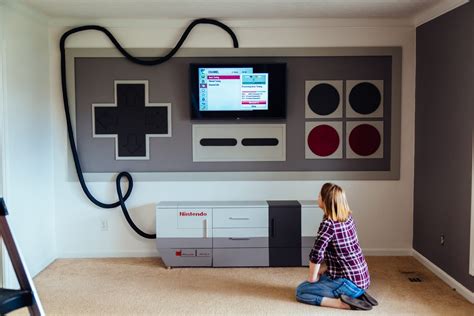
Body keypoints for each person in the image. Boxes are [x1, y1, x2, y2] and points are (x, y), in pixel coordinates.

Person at [295, 183, 378, 310]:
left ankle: (342, 303)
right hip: (362, 279)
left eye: (319, 195)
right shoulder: (348, 219)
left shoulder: (328, 225)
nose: (317, 197)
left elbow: (316, 255)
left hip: (348, 283)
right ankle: (358, 295)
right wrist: (322, 271)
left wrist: (312, 278)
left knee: (301, 291)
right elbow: (342, 252)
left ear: (325, 200)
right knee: (322, 277)